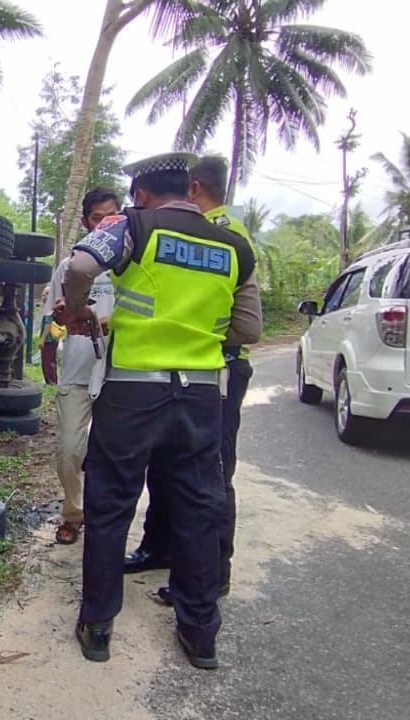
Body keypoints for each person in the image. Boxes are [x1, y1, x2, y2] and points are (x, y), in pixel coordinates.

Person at [63, 153, 261, 669]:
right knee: (198, 509)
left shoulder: (135, 225)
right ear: (190, 189)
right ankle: (200, 634)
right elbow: (249, 331)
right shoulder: (236, 247)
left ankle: (99, 625)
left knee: (110, 507)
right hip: (200, 395)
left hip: (133, 392)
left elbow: (82, 266)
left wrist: (82, 310)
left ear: (144, 193)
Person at [126, 157, 261, 603]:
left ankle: (209, 573)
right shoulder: (207, 232)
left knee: (210, 477)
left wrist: (193, 327)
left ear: (194, 188)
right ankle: (159, 548)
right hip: (185, 371)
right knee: (167, 465)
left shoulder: (227, 236)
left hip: (214, 370)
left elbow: (249, 328)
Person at [43, 188, 121, 545]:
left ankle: (107, 522)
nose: (104, 224)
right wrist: (57, 331)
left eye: (112, 216)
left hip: (120, 372)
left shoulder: (129, 267)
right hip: (76, 371)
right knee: (69, 451)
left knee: (114, 454)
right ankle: (74, 513)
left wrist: (99, 322)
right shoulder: (70, 266)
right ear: (86, 221)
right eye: (97, 217)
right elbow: (54, 321)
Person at [38, 285, 61, 385]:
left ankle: (51, 381)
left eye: (47, 294)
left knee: (48, 361)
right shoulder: (49, 308)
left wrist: (42, 339)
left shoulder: (50, 309)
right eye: (43, 294)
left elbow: (48, 325)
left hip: (49, 339)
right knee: (49, 359)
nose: (44, 296)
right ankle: (49, 380)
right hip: (51, 339)